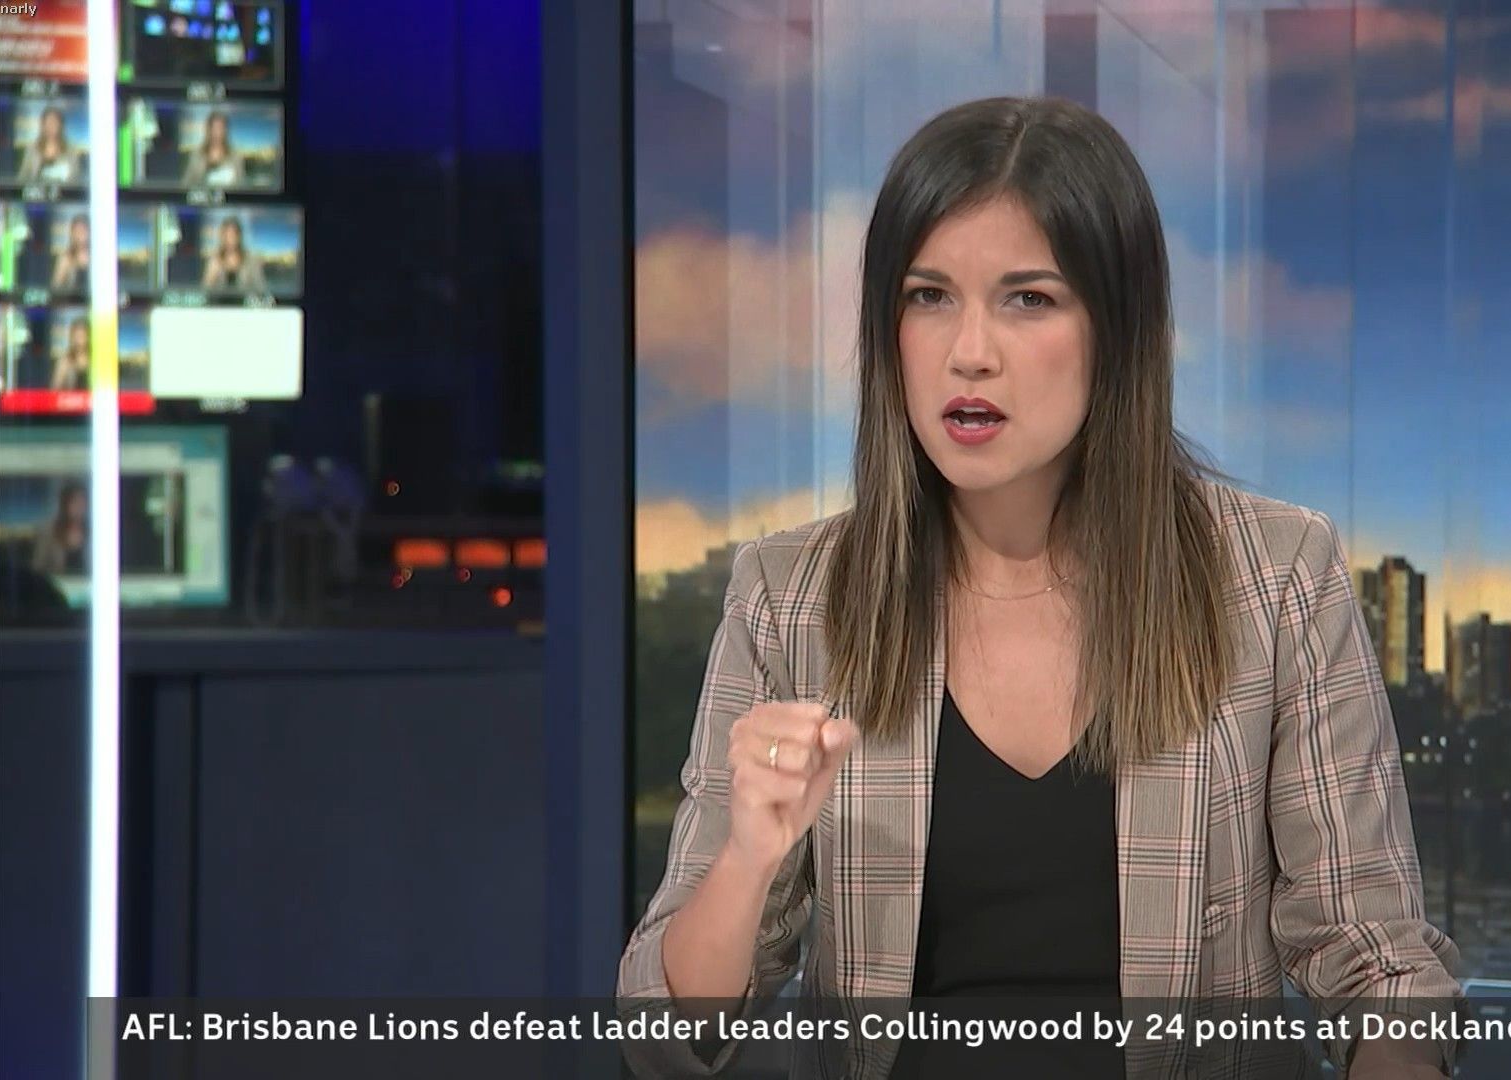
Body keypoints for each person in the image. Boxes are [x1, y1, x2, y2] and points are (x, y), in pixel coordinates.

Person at [616, 96, 1467, 1080]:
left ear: (1118, 329)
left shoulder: (1276, 579)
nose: (968, 351)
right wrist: (747, 858)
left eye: (1028, 299)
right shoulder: (791, 598)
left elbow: (1379, 965)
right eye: (928, 296)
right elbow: (659, 1031)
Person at [31, 481, 87, 577]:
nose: (79, 507)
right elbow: (38, 567)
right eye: (75, 502)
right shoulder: (48, 531)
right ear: (65, 504)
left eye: (83, 502)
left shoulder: (96, 531)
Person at [17, 104, 82, 186]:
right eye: (48, 123)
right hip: (36, 193)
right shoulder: (32, 149)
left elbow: (76, 179)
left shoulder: (70, 150)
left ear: (60, 126)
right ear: (43, 125)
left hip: (64, 193)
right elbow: (22, 178)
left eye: (54, 123)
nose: (51, 127)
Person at [200, 215, 267, 293]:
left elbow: (261, 288)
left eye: (233, 235)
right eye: (226, 235)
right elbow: (204, 289)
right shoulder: (214, 260)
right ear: (222, 237)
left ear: (239, 236)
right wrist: (212, 276)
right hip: (219, 300)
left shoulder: (251, 260)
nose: (230, 239)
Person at [181, 109, 240, 188]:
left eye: (220, 128)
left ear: (225, 131)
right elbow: (186, 184)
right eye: (213, 128)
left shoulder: (234, 157)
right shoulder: (197, 155)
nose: (216, 133)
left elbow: (241, 185)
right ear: (208, 130)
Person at [49, 212, 89, 293]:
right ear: (72, 233)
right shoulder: (65, 258)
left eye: (83, 230)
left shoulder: (98, 256)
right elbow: (55, 286)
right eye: (77, 231)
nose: (80, 235)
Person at [48, 316, 88, 392]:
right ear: (71, 337)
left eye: (82, 336)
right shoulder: (65, 361)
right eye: (76, 336)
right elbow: (54, 389)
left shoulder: (95, 361)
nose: (79, 340)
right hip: (70, 398)